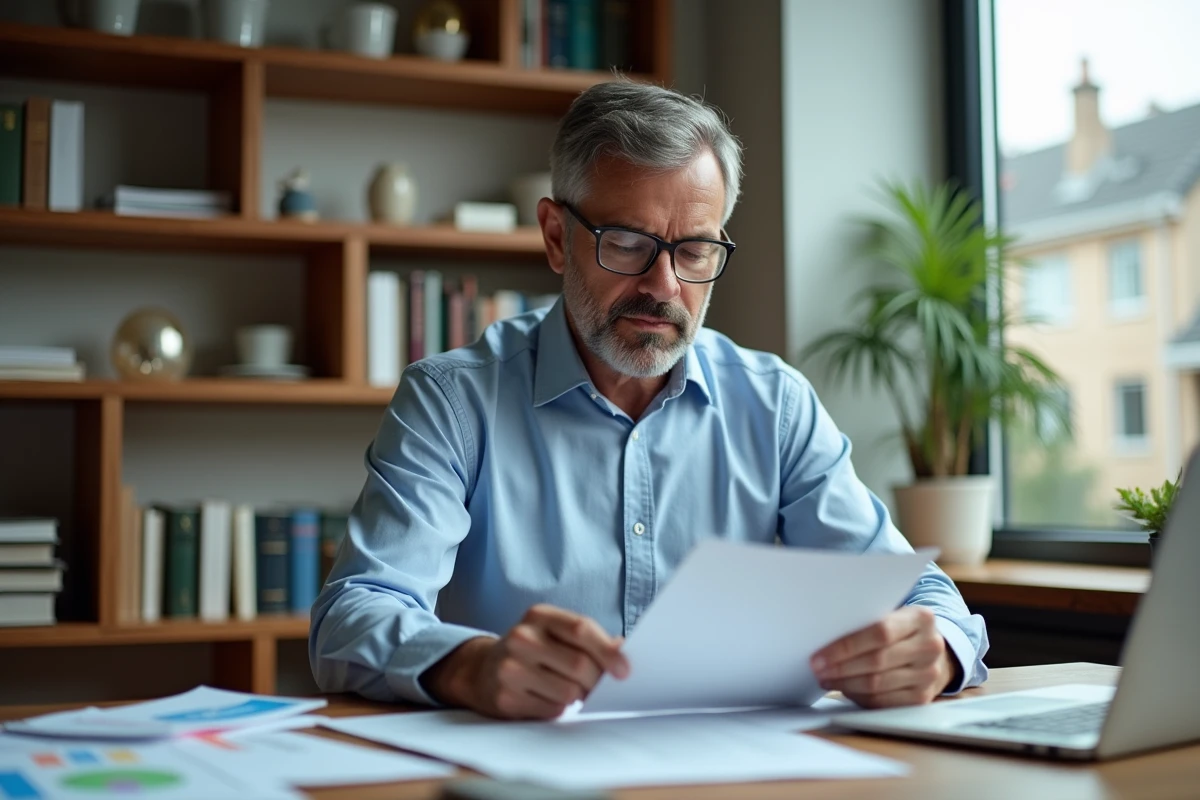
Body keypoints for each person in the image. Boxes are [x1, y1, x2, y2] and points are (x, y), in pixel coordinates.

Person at [309, 80, 989, 720]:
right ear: (554, 236)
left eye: (694, 250)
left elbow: (922, 596)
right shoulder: (452, 403)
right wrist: (471, 666)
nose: (663, 285)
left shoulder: (775, 405)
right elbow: (353, 614)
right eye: (627, 243)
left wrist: (936, 652)